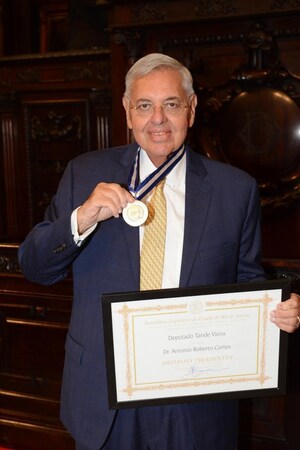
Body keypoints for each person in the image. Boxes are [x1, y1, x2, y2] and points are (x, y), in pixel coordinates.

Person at [18, 53, 300, 450]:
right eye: (144, 105)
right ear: (127, 112)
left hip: (194, 395)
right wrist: (81, 218)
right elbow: (35, 266)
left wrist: (279, 308)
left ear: (191, 109)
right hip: (104, 391)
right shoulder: (84, 173)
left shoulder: (235, 190)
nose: (158, 120)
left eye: (171, 104)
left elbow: (247, 283)